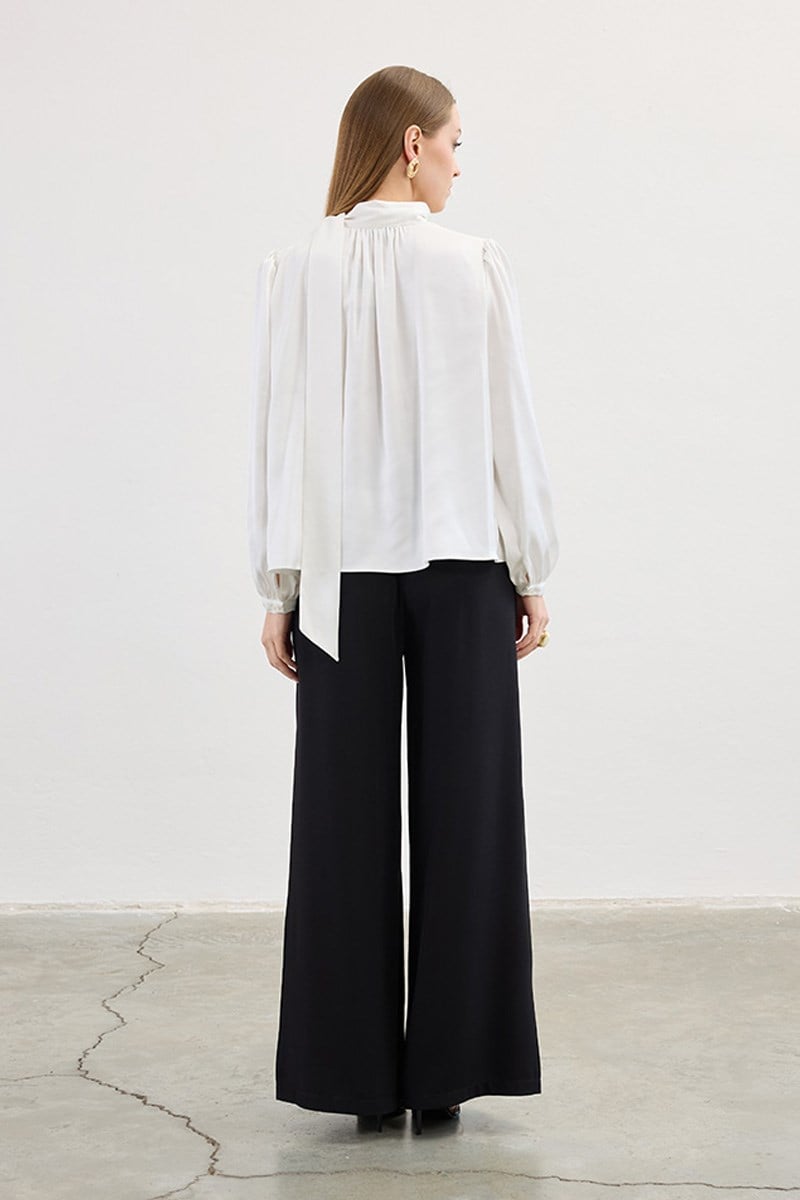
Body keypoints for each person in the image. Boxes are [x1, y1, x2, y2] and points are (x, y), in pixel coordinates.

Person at [247, 65, 559, 1136]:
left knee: (337, 822)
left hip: (337, 577)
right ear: (412, 144)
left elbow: (279, 435)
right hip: (464, 569)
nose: (459, 165)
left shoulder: (296, 268)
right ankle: (450, 1071)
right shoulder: (471, 265)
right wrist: (530, 568)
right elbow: (509, 427)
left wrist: (280, 585)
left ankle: (351, 1079)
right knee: (471, 815)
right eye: (455, 142)